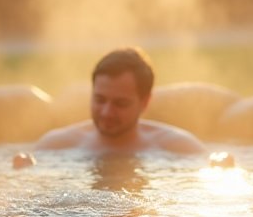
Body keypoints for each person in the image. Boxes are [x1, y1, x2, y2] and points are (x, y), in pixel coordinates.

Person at [21, 48, 207, 162]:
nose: (107, 112)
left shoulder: (177, 146)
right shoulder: (57, 145)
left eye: (120, 103)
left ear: (145, 102)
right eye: (100, 100)